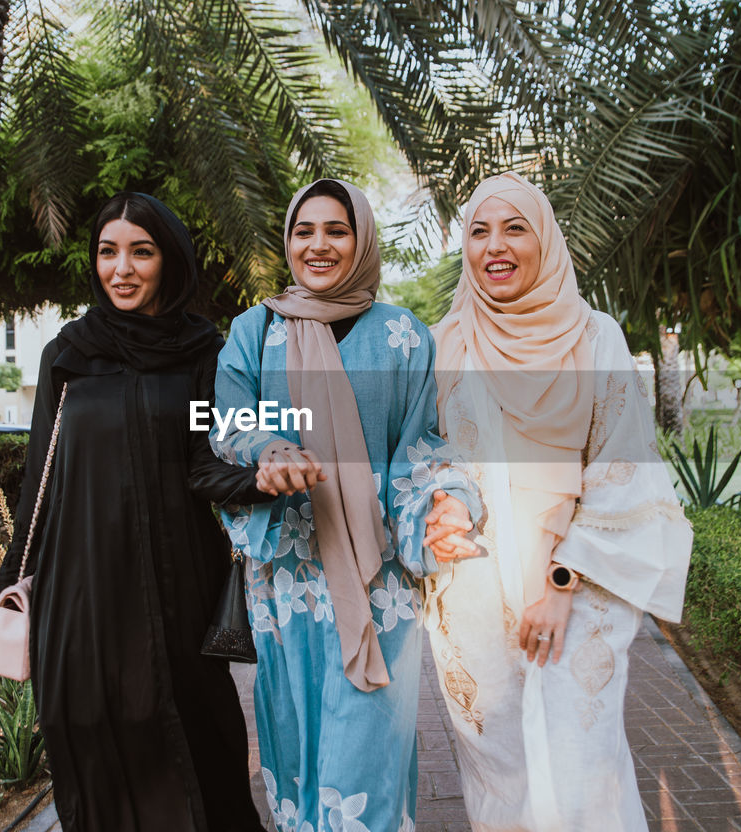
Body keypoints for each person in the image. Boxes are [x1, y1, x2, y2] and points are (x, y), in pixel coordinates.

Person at [423, 172, 693, 831]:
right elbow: (421, 458)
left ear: (545, 239)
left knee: (582, 763)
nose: (496, 245)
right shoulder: (442, 343)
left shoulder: (594, 337)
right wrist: (434, 506)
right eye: (480, 231)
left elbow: (621, 470)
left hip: (574, 591)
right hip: (472, 591)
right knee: (496, 768)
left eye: (515, 227)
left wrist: (561, 582)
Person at [0, 192, 270, 832]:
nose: (122, 268)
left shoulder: (203, 350)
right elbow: (42, 476)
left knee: (199, 740)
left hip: (178, 589)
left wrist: (266, 477)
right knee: (94, 737)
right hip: (82, 589)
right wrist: (12, 580)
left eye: (140, 252)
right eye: (108, 252)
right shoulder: (69, 353)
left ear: (167, 260)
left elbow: (207, 459)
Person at [211, 178, 479, 832]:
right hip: (288, 584)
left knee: (370, 768)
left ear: (362, 241)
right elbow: (225, 424)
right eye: (305, 231)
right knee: (294, 748)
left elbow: (421, 448)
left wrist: (441, 507)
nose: (319, 244)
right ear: (288, 241)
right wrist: (268, 452)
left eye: (337, 230)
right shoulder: (255, 331)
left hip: (380, 586)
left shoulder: (405, 338)